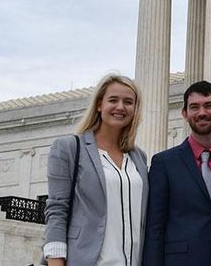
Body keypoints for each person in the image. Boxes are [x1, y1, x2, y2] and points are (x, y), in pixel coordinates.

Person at [43, 73, 148, 266]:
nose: (120, 107)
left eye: (128, 102)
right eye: (113, 100)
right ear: (99, 105)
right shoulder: (69, 148)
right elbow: (57, 210)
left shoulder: (138, 157)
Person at [143, 80, 211, 266]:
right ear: (185, 113)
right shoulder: (164, 163)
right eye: (194, 107)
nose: (202, 113)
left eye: (209, 105)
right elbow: (155, 228)